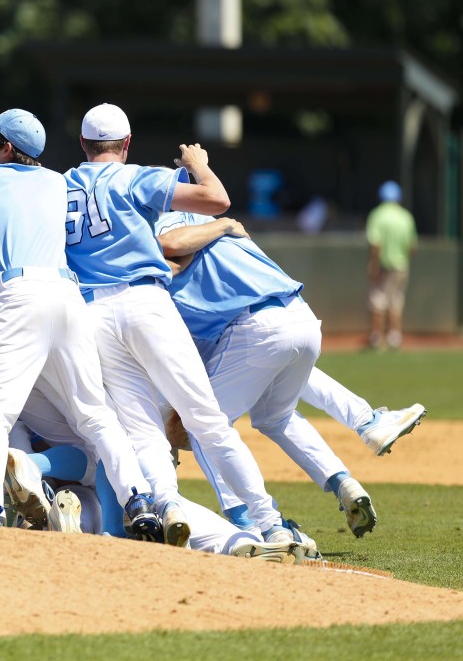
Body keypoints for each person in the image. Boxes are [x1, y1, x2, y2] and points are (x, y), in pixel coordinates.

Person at [0, 108, 162, 536]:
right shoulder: (56, 181)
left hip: (18, 295)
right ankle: (139, 498)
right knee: (93, 413)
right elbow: (11, 226)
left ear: (8, 147)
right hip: (66, 295)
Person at [60, 102, 294, 545]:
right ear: (126, 144)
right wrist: (199, 165)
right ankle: (270, 523)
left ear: (83, 144)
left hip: (92, 314)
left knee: (141, 426)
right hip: (145, 301)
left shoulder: (63, 184)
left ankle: (166, 504)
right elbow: (217, 200)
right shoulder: (133, 175)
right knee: (206, 420)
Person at [155, 211, 372, 538]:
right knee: (276, 416)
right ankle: (349, 467)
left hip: (254, 325)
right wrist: (223, 222)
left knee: (202, 425)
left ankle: (255, 523)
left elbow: (170, 247)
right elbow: (214, 197)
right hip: (302, 314)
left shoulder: (154, 236)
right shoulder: (216, 226)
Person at [366, 180, 417, 349]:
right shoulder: (406, 216)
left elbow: (375, 243)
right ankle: (394, 336)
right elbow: (412, 246)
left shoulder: (377, 215)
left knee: (378, 300)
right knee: (396, 301)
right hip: (401, 266)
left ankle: (376, 337)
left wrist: (373, 263)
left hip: (383, 265)